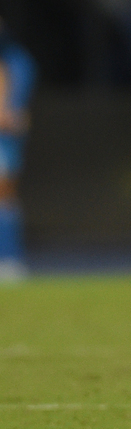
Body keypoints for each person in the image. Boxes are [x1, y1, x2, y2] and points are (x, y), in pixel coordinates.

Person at [0, 18, 37, 281]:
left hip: (4, 142)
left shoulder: (17, 61)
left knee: (5, 197)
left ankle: (10, 259)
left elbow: (13, 117)